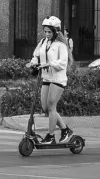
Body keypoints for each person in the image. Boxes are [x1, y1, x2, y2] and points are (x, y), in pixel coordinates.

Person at [30, 16, 73, 144]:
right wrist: (33, 63)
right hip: (46, 77)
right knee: (45, 107)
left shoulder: (61, 45)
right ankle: (65, 130)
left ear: (56, 31)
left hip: (58, 79)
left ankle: (51, 136)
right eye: (45, 31)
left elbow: (62, 63)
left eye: (50, 32)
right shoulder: (43, 42)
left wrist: (50, 64)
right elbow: (36, 55)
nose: (47, 34)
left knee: (51, 107)